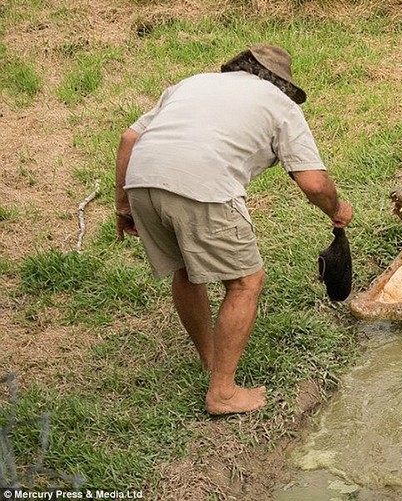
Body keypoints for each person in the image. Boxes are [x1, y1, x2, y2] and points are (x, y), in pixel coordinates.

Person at [114, 44, 353, 415]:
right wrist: (337, 209)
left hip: (142, 179)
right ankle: (222, 392)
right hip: (202, 186)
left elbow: (130, 139)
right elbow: (314, 183)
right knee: (245, 282)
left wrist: (124, 205)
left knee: (186, 272)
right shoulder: (280, 105)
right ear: (281, 84)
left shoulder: (192, 83)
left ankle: (211, 360)